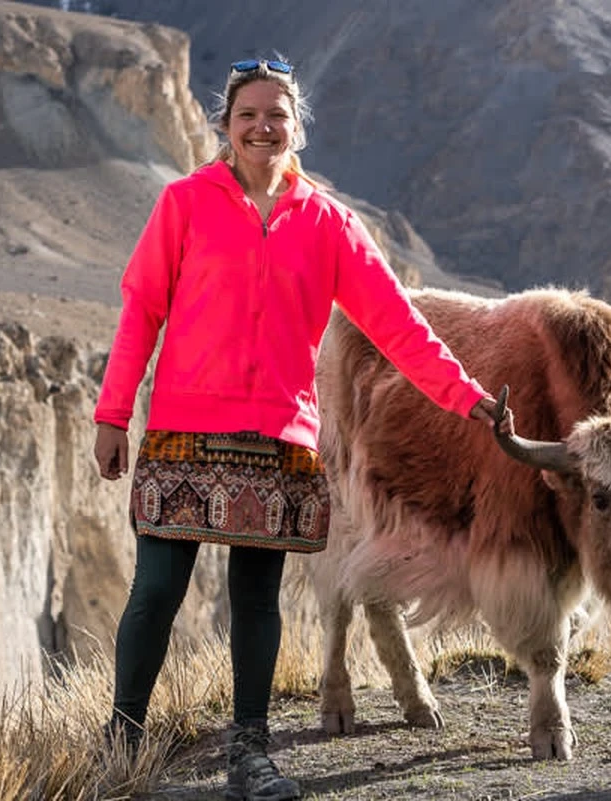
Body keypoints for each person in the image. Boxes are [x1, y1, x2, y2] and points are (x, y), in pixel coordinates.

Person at [93, 57, 512, 801]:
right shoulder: (184, 203)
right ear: (225, 125)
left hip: (280, 440)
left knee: (256, 599)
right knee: (156, 590)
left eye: (277, 115)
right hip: (184, 431)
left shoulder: (329, 223)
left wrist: (464, 395)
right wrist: (113, 413)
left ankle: (249, 758)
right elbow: (142, 310)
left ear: (298, 128)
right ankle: (119, 748)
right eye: (248, 114)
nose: (262, 127)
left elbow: (398, 325)